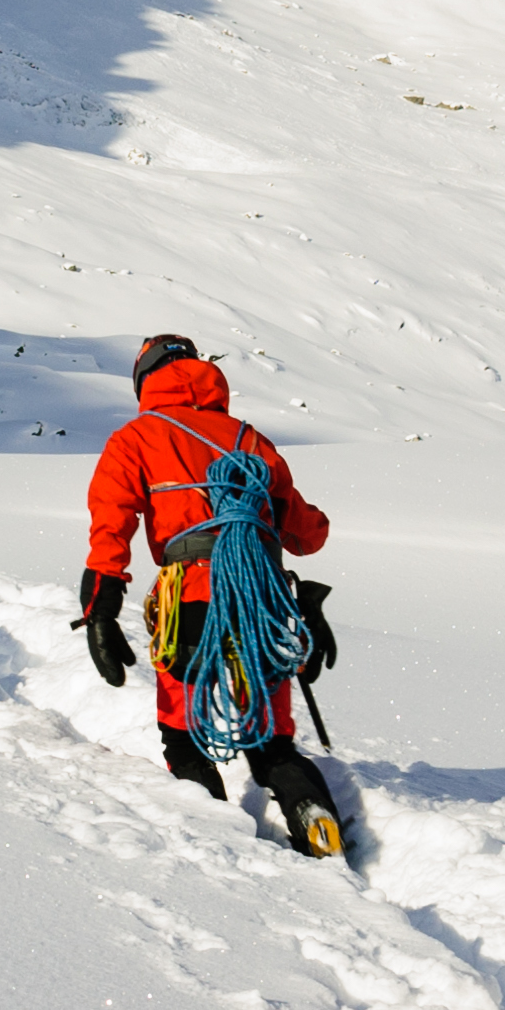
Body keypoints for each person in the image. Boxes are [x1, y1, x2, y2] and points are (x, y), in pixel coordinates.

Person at [80, 334, 347, 855]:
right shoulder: (250, 440)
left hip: (189, 600)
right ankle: (312, 816)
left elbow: (110, 527)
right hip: (261, 601)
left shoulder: (137, 437)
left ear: (144, 381)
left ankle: (221, 850)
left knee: (184, 735)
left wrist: (101, 613)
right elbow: (307, 534)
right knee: (271, 738)